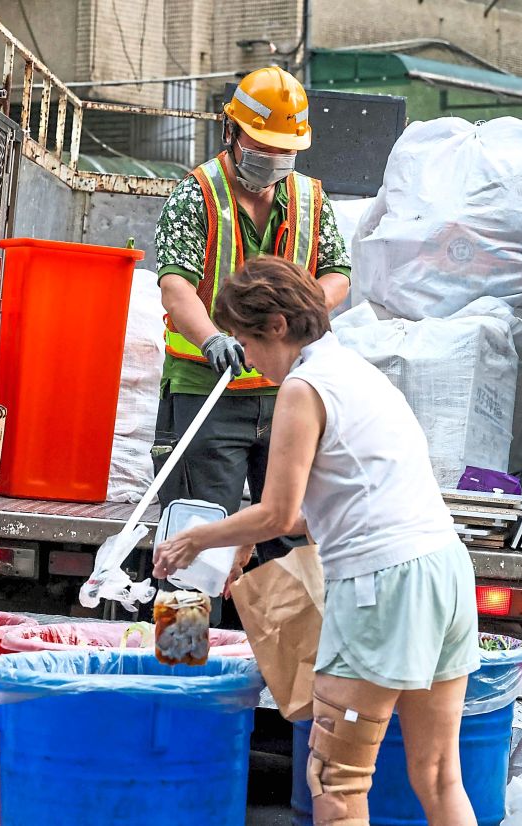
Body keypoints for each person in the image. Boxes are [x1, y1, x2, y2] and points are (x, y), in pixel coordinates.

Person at [153, 256, 479, 826]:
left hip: (384, 585)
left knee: (337, 783)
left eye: (245, 342)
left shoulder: (303, 389)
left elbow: (278, 512)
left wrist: (197, 539)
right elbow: (328, 500)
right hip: (445, 573)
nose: (247, 360)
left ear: (276, 327)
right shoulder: (357, 373)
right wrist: (242, 541)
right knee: (438, 775)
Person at [152, 66, 351, 579]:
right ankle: (184, 657)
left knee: (291, 552)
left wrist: (303, 319)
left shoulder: (310, 200)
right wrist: (214, 337)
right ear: (231, 132)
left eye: (284, 149)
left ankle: (282, 658)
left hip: (289, 395)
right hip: (209, 392)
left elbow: (337, 277)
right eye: (261, 144)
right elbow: (175, 284)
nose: (272, 158)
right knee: (199, 546)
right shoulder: (195, 195)